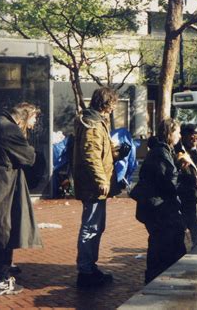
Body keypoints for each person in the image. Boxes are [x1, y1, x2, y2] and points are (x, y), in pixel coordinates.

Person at [0, 102, 43, 295]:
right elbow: (29, 157)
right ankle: (1, 279)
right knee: (4, 231)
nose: (34, 124)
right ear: (25, 116)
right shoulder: (9, 129)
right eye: (34, 119)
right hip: (3, 188)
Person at [73, 87, 120, 288]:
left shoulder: (94, 121)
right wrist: (102, 180)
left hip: (93, 184)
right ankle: (86, 270)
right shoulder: (93, 124)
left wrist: (117, 153)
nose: (114, 109)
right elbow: (91, 155)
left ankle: (89, 267)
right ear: (107, 104)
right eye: (113, 104)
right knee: (91, 226)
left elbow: (98, 152)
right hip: (93, 186)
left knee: (95, 226)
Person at [131, 118, 187, 285]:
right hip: (157, 209)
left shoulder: (163, 150)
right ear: (169, 133)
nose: (179, 135)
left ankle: (161, 278)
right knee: (163, 244)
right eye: (177, 132)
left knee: (166, 242)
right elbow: (170, 181)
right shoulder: (161, 152)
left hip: (155, 207)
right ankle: (157, 281)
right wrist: (188, 177)